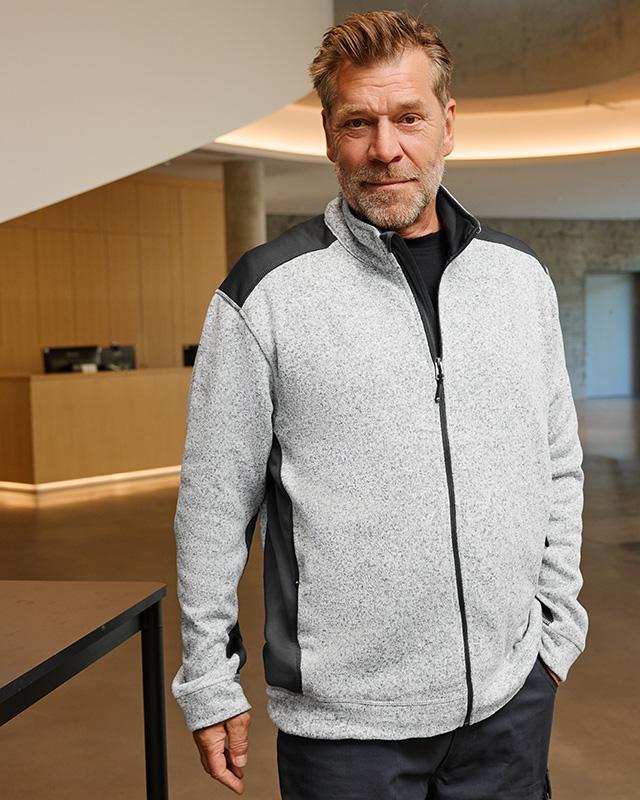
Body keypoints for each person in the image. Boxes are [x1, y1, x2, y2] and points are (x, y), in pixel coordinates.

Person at [171, 10, 588, 799]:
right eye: (358, 122)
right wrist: (209, 679)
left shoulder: (519, 281)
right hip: (345, 731)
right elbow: (214, 506)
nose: (384, 148)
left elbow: (557, 461)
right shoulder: (266, 295)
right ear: (330, 136)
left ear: (448, 124)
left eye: (408, 118)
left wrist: (555, 632)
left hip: (509, 703)